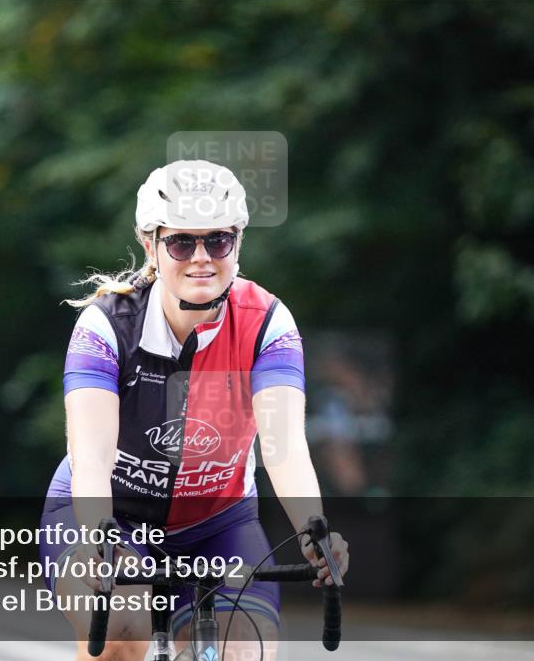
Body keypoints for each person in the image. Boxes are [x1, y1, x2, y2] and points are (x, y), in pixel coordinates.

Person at [41, 160, 349, 661]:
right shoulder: (106, 325)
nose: (201, 257)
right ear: (151, 246)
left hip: (218, 522)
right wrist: (98, 537)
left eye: (219, 241)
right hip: (111, 516)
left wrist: (313, 530)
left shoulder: (267, 322)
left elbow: (285, 447)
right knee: (122, 631)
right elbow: (91, 454)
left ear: (238, 243)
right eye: (182, 242)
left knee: (243, 650)